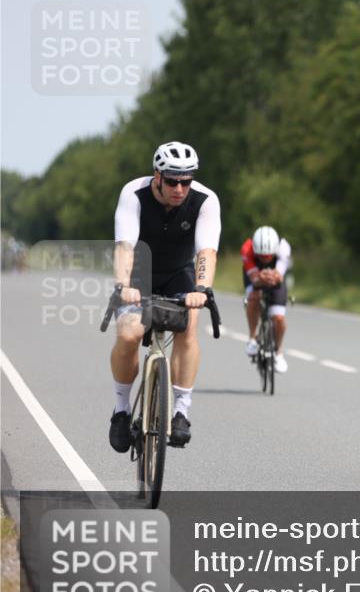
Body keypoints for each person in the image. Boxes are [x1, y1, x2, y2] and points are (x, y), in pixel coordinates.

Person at [109, 141, 221, 452]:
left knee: (189, 324)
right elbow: (124, 248)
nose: (180, 189)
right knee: (130, 333)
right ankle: (120, 410)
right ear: (157, 175)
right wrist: (123, 285)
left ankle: (181, 411)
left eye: (186, 181)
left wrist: (200, 289)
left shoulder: (205, 200)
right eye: (172, 180)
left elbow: (207, 251)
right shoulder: (134, 193)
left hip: (178, 273)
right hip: (138, 273)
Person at [241, 226, 292, 373]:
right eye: (261, 256)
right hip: (254, 275)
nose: (265, 259)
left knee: (279, 317)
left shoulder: (283, 248)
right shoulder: (247, 249)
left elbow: (279, 276)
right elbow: (254, 279)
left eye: (269, 256)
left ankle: (279, 353)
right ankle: (252, 338)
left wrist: (273, 276)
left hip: (275, 278)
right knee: (253, 296)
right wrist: (259, 279)